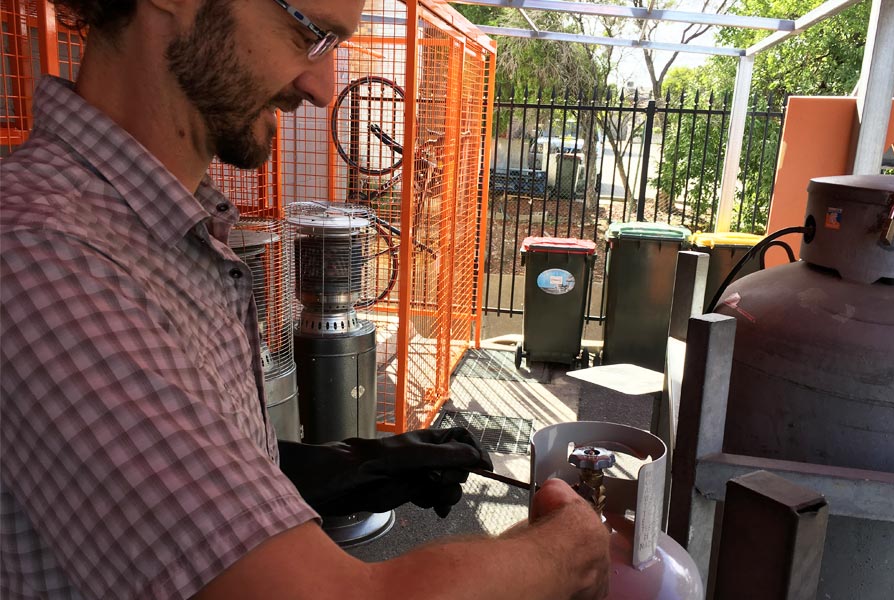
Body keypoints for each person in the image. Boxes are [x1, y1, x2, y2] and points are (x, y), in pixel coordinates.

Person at [0, 0, 611, 598]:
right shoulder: (43, 258)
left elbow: (187, 489)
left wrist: (349, 469)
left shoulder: (172, 234)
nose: (322, 88)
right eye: (308, 34)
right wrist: (566, 553)